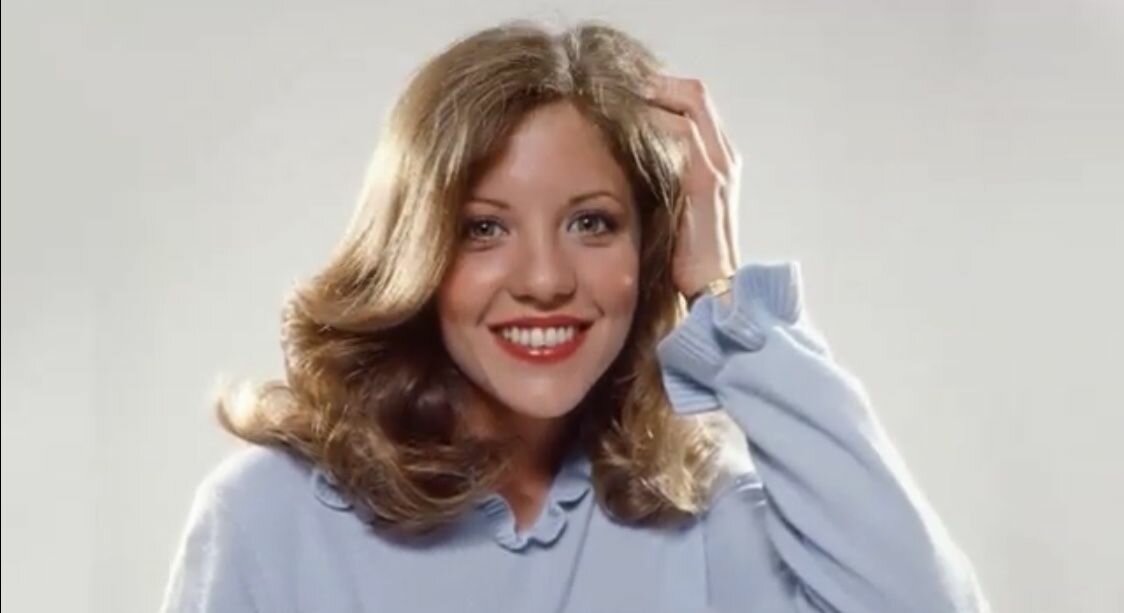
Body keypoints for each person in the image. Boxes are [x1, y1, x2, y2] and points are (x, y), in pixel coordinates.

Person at [159, 19, 989, 613]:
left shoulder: (698, 513)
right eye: (484, 228)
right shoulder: (269, 516)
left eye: (592, 222)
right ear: (417, 252)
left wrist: (725, 298)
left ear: (650, 246)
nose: (546, 280)